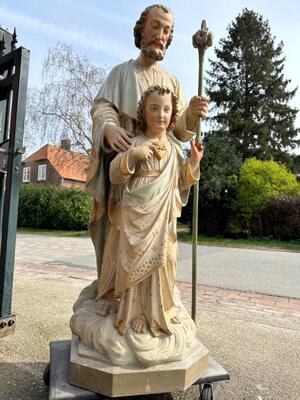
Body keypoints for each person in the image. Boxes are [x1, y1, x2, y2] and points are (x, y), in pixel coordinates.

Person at [86, 4, 209, 280]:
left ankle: (154, 305)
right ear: (141, 29)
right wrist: (108, 127)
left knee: (161, 250)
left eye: (167, 30)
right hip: (128, 175)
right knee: (122, 241)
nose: (160, 35)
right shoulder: (121, 73)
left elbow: (175, 131)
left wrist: (190, 112)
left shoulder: (172, 82)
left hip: (161, 180)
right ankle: (115, 294)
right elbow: (102, 107)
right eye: (155, 26)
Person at [95, 85, 204, 337]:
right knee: (137, 263)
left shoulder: (175, 147)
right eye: (154, 109)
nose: (161, 115)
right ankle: (135, 313)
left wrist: (194, 162)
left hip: (163, 217)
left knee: (166, 260)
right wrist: (133, 155)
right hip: (136, 217)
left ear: (172, 114)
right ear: (143, 112)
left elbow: (181, 182)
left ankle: (162, 309)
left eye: (166, 109)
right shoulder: (134, 142)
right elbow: (114, 174)